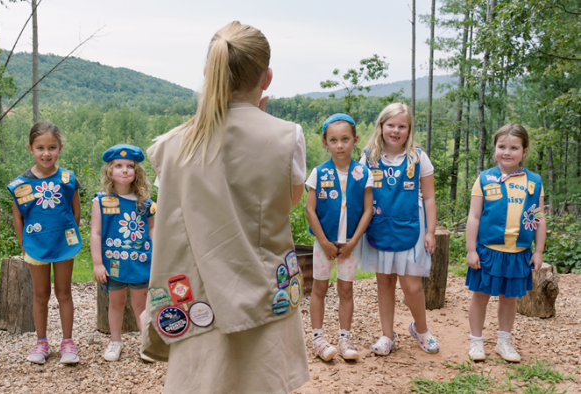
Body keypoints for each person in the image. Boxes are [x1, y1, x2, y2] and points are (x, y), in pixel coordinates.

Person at [141, 21, 310, 394]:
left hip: (198, 294)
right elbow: (288, 201)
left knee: (203, 382)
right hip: (265, 289)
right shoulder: (287, 136)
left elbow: (173, 209)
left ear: (208, 72)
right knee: (262, 381)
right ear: (266, 78)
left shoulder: (173, 144)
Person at [359, 103, 440, 355]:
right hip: (380, 225)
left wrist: (430, 231)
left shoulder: (418, 157)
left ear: (409, 130)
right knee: (384, 282)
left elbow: (429, 197)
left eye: (401, 126)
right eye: (390, 125)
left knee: (412, 286)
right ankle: (387, 335)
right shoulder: (368, 156)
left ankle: (421, 329)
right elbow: (362, 193)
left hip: (411, 227)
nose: (396, 131)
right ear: (381, 127)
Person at [465, 124, 545, 363]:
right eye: (502, 147)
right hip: (488, 251)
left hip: (518, 253)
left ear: (524, 150)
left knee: (509, 298)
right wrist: (471, 249)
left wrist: (538, 251)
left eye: (514, 147)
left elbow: (539, 219)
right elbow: (474, 216)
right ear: (494, 149)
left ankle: (503, 342)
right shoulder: (484, 178)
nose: (507, 152)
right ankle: (476, 342)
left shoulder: (534, 181)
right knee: (480, 296)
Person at [7, 121, 82, 365]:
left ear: (60, 147)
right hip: (35, 245)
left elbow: (75, 211)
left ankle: (68, 343)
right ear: (30, 148)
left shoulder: (68, 179)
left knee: (64, 292)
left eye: (52, 147)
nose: (46, 153)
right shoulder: (20, 184)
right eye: (40, 148)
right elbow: (18, 215)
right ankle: (41, 341)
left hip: (63, 243)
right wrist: (23, 243)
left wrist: (69, 236)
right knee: (40, 294)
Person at [305, 113, 373, 361]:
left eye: (345, 139)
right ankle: (318, 339)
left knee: (346, 289)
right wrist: (323, 241)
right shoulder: (318, 173)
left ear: (355, 140)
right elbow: (310, 209)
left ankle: (345, 338)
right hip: (324, 243)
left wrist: (354, 241)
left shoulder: (363, 173)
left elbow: (367, 210)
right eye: (333, 140)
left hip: (350, 245)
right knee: (319, 288)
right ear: (325, 143)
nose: (340, 145)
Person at [91, 144, 156, 363]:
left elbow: (153, 229)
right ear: (110, 170)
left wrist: (157, 257)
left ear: (137, 172)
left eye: (130, 166)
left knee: (141, 305)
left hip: (141, 263)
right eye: (119, 165)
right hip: (113, 265)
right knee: (116, 302)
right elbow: (96, 233)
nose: (125, 170)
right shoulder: (100, 201)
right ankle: (115, 341)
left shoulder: (146, 204)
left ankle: (146, 343)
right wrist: (98, 264)